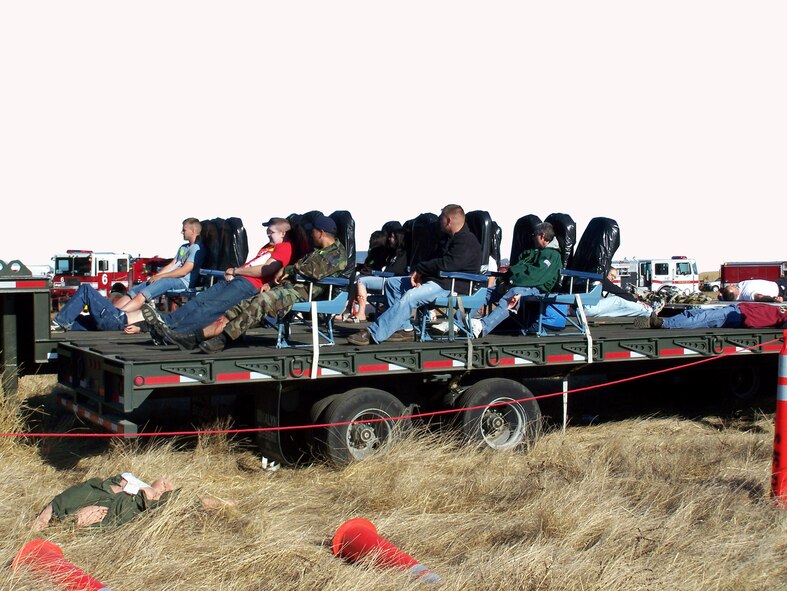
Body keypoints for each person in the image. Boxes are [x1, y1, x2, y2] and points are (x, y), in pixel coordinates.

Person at [158, 214, 347, 353]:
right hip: (290, 287)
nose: (309, 235)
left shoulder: (337, 254)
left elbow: (311, 271)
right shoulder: (317, 251)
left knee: (262, 301)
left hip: (306, 291)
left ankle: (223, 338)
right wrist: (277, 281)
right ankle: (196, 337)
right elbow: (299, 268)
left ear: (322, 232)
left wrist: (288, 270)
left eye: (312, 231)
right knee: (241, 305)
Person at [347, 204, 482, 345]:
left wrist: (421, 270)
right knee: (392, 284)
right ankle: (405, 329)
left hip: (451, 286)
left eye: (441, 218)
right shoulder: (448, 239)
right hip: (438, 281)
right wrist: (422, 276)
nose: (438, 222)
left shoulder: (467, 241)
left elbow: (448, 265)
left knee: (410, 297)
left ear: (448, 220)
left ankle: (373, 333)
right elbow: (435, 262)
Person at [142, 217, 294, 340]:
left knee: (211, 307)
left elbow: (265, 269)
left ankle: (176, 334)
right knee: (200, 300)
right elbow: (252, 265)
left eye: (271, 232)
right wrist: (234, 273)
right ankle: (166, 324)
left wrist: (236, 270)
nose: (268, 234)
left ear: (282, 233)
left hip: (249, 285)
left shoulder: (284, 248)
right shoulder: (268, 246)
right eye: (267, 231)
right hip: (238, 280)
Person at [433, 221, 561, 338]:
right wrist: (504, 281)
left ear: (542, 236)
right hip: (518, 284)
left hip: (536, 288)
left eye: (535, 235)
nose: (533, 237)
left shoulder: (552, 256)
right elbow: (517, 269)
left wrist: (510, 283)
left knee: (513, 294)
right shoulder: (533, 252)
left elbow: (536, 276)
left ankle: (483, 326)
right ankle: (456, 322)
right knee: (484, 292)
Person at [33, 472, 234, 530]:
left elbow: (48, 512)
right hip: (127, 501)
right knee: (186, 501)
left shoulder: (72, 497)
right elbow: (79, 519)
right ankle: (226, 504)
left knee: (163, 485)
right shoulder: (109, 513)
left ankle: (224, 503)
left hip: (118, 488)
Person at [113, 218, 204, 314]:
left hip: (182, 281)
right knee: (136, 289)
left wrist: (160, 276)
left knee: (144, 293)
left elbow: (184, 271)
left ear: (193, 231)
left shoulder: (197, 249)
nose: (181, 232)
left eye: (184, 230)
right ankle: (111, 312)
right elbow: (172, 265)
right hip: (169, 278)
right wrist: (155, 277)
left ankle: (119, 316)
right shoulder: (183, 247)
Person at [344, 222, 409, 322]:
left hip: (393, 282)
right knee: (356, 281)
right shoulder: (392, 253)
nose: (389, 239)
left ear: (398, 238)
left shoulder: (403, 255)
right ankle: (347, 310)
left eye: (392, 237)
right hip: (386, 280)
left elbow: (395, 272)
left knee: (361, 281)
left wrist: (373, 273)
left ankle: (361, 313)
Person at [51, 284, 147, 332]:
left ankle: (58, 323)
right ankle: (56, 326)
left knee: (86, 289)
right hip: (118, 319)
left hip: (119, 320)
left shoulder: (157, 316)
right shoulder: (154, 313)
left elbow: (157, 325)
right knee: (77, 320)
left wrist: (139, 328)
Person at [634, 302, 787, 329]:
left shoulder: (783, 318)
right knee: (693, 312)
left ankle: (665, 324)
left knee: (703, 318)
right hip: (737, 308)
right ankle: (662, 321)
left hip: (737, 316)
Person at [581, 268, 654, 318]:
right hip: (587, 309)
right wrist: (637, 301)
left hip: (579, 309)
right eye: (611, 275)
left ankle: (646, 312)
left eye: (614, 276)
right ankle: (647, 311)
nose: (613, 278)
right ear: (606, 273)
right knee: (618, 299)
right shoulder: (602, 280)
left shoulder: (591, 279)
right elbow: (618, 291)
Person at [720, 279, 784, 303]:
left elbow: (723, 297)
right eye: (731, 286)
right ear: (734, 293)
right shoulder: (746, 295)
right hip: (780, 290)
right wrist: (773, 299)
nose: (732, 284)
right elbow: (759, 297)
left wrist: (720, 297)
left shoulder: (738, 288)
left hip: (777, 282)